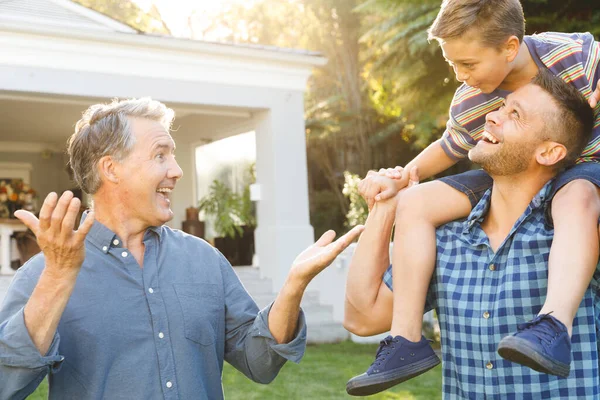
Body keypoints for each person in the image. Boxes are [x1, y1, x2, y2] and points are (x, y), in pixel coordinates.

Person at [0, 98, 363, 399]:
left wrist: (293, 286)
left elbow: (261, 362)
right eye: (161, 155)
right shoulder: (43, 275)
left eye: (173, 156)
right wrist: (58, 279)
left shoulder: (203, 259)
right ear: (111, 169)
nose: (176, 170)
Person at [354, 0, 600, 388]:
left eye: (468, 64)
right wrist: (403, 179)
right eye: (452, 64)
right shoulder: (472, 100)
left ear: (509, 47)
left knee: (577, 196)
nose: (459, 76)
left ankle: (554, 323)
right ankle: (405, 339)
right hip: (518, 166)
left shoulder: (575, 56)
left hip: (585, 168)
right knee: (415, 202)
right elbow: (449, 147)